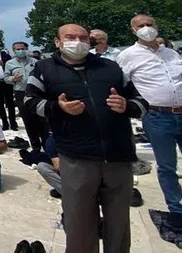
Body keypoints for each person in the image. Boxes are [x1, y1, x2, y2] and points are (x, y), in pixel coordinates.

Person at [25, 23, 148, 253]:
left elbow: (141, 103)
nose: (78, 41)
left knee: (119, 222)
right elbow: (30, 104)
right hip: (77, 157)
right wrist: (58, 107)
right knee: (79, 222)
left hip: (117, 156)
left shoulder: (110, 68)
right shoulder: (44, 68)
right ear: (58, 42)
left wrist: (127, 106)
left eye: (83, 37)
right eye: (70, 37)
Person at [117, 14, 182, 215]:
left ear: (157, 25)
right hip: (157, 116)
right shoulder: (128, 56)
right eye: (141, 26)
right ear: (133, 31)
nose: (146, 28)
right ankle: (176, 208)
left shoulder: (171, 54)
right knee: (167, 166)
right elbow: (121, 85)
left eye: (149, 24)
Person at [5, 41, 46, 149]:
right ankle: (36, 147)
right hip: (20, 93)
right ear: (14, 51)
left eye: (22, 48)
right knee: (28, 120)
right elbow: (6, 78)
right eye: (18, 49)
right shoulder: (10, 63)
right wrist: (13, 79)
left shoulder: (35, 61)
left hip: (36, 93)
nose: (21, 51)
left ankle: (47, 146)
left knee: (41, 119)